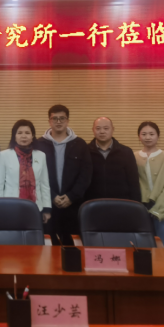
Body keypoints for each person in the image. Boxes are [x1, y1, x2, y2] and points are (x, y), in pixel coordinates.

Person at [36, 105, 92, 245]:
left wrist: (71, 196)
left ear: (67, 120)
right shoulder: (39, 144)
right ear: (49, 121)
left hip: (73, 204)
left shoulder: (79, 144)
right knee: (49, 245)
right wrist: (52, 196)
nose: (58, 121)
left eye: (62, 118)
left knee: (72, 245)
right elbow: (36, 174)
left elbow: (85, 174)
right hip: (47, 204)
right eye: (55, 118)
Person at [0, 120, 52, 223]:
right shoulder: (4, 155)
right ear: (14, 136)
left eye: (27, 133)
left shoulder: (41, 155)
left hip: (35, 206)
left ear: (32, 136)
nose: (24, 136)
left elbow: (44, 184)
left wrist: (47, 208)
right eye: (20, 133)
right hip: (10, 206)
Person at [136, 121, 164, 248]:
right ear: (139, 136)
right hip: (141, 209)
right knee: (143, 246)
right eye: (144, 134)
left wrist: (159, 209)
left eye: (151, 134)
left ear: (158, 136)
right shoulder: (133, 157)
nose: (148, 137)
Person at [86, 117, 141, 202]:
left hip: (121, 203)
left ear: (112, 129)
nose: (102, 131)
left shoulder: (126, 152)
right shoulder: (85, 151)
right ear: (93, 130)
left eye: (106, 128)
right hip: (91, 203)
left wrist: (136, 204)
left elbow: (133, 182)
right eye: (98, 128)